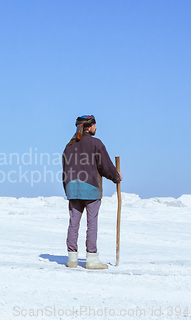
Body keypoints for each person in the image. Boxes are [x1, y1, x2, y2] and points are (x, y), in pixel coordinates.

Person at [62, 115, 122, 269]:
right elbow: (105, 166)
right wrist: (116, 177)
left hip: (72, 188)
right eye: (95, 125)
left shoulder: (68, 146)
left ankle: (72, 259)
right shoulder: (96, 144)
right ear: (89, 127)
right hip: (90, 188)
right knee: (92, 223)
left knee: (73, 223)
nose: (96, 127)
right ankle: (92, 259)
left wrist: (68, 189)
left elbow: (65, 170)